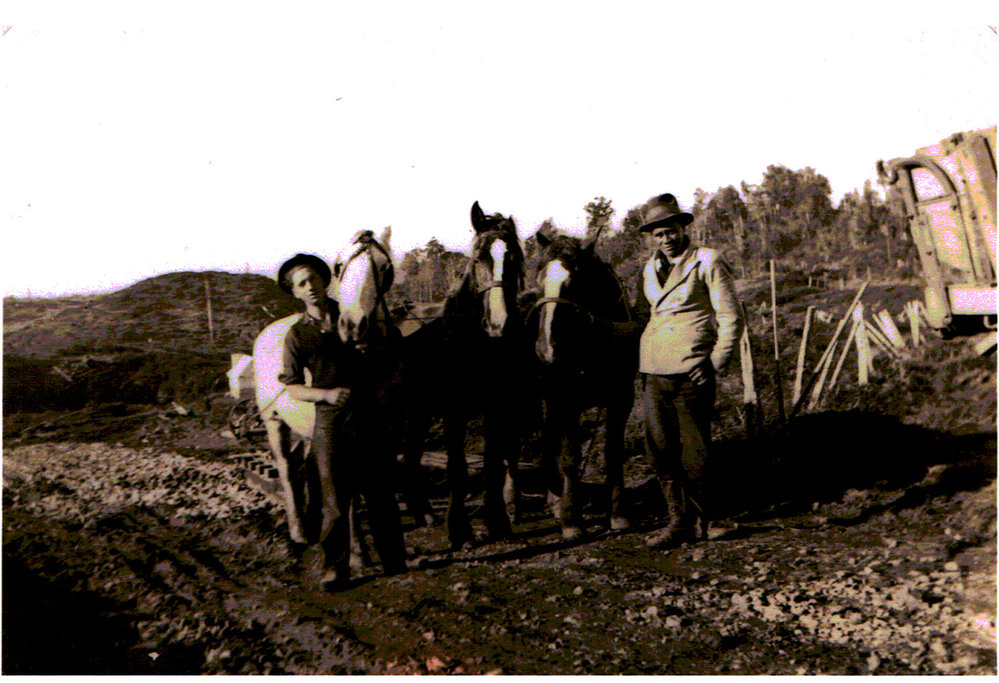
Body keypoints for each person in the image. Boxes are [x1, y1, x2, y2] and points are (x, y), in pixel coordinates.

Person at [276, 253, 407, 591]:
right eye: (301, 284)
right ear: (295, 293)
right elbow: (291, 387)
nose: (310, 287)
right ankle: (336, 568)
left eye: (313, 279)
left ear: (325, 280)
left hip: (369, 415)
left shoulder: (354, 315)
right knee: (333, 500)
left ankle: (394, 560)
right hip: (330, 422)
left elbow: (390, 354)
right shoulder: (297, 335)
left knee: (381, 493)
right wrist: (326, 395)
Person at [632, 194, 744, 548]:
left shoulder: (707, 261)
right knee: (659, 450)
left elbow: (730, 316)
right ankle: (677, 522)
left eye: (671, 231)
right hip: (654, 369)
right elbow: (645, 315)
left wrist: (715, 361)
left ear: (683, 228)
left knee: (694, 450)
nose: (665, 239)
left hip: (691, 370)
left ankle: (704, 521)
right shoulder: (649, 269)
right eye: (658, 234)